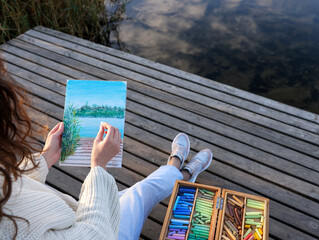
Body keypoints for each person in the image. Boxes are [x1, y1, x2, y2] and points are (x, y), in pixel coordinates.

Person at [0, 59, 213, 240]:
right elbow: (95, 235)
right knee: (140, 192)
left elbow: (8, 182)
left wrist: (45, 158)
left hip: (74, 215)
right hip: (99, 232)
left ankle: (178, 171)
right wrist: (99, 167)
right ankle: (179, 170)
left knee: (129, 193)